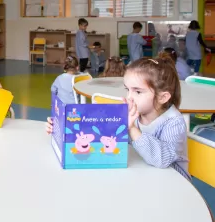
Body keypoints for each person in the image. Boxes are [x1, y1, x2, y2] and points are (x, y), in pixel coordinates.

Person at [46, 56, 190, 180]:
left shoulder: (173, 122)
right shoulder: (134, 111)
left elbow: (163, 160)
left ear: (162, 97)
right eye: (128, 89)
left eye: (138, 92)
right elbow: (103, 133)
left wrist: (132, 129)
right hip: (141, 177)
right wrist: (62, 126)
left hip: (172, 185)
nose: (129, 97)